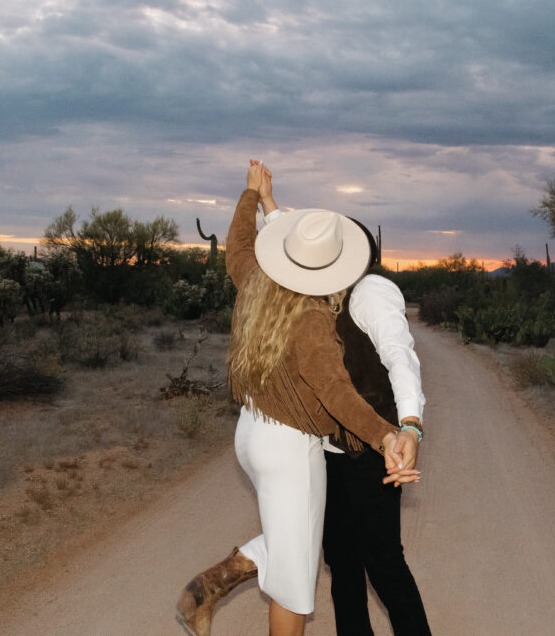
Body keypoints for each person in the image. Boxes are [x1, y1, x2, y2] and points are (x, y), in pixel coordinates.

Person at [175, 161, 419, 636]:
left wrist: (254, 196)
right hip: (290, 451)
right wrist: (388, 435)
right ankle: (213, 583)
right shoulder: (311, 320)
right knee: (294, 581)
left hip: (251, 434)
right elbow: (336, 394)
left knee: (304, 541)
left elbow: (239, 248)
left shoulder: (257, 284)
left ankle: (213, 581)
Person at [261, 186, 431, 635]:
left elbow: (400, 356)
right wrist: (267, 201)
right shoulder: (318, 295)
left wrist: (410, 425)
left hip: (375, 449)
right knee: (341, 562)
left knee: (383, 564)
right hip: (328, 453)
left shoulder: (370, 292)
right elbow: (289, 242)